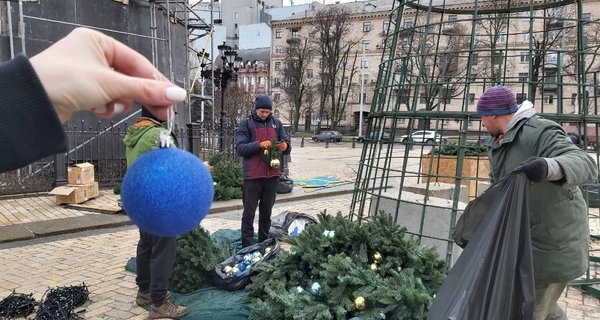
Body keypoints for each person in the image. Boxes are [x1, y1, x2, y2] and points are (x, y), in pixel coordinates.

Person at [477, 86, 598, 320]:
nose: (481, 123)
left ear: (493, 114)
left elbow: (585, 164)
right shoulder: (499, 141)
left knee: (528, 311)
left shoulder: (538, 131)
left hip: (553, 244)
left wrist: (548, 167)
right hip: (527, 242)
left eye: (482, 116)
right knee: (540, 307)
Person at [0, 27, 186, 174]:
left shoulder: (138, 132)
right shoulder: (155, 135)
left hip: (141, 192)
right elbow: (173, 168)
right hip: (158, 196)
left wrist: (29, 91)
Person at [123, 107, 188, 319]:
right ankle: (159, 303)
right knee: (163, 251)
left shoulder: (137, 133)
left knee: (146, 245)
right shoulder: (159, 135)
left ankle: (145, 292)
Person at [235, 94, 291, 248]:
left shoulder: (277, 124)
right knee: (249, 214)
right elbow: (240, 148)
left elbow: (286, 144)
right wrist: (259, 145)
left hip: (272, 176)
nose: (265, 114)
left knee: (266, 214)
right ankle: (246, 245)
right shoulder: (246, 124)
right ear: (256, 109)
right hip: (252, 177)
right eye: (262, 112)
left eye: (267, 112)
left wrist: (285, 146)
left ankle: (264, 242)